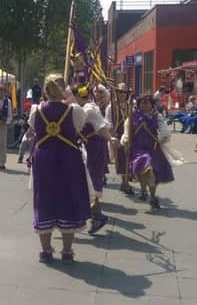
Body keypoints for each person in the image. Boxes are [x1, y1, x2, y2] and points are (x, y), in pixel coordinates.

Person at [29, 74, 91, 264]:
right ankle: (66, 251)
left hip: (44, 159)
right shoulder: (74, 111)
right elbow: (79, 127)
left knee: (44, 199)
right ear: (65, 90)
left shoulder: (36, 110)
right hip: (68, 159)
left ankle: (46, 250)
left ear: (45, 91)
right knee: (68, 198)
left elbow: (33, 128)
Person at [121, 95, 175, 210]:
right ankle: (144, 190)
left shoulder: (157, 116)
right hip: (137, 148)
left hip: (154, 148)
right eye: (142, 103)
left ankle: (152, 195)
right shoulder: (132, 116)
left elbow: (164, 130)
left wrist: (164, 136)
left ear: (151, 104)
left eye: (147, 103)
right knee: (145, 165)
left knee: (154, 174)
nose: (144, 105)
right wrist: (125, 140)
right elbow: (127, 130)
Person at [72, 85, 113, 234]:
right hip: (89, 147)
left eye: (72, 95)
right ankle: (94, 216)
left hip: (92, 148)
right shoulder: (84, 107)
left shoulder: (88, 109)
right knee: (84, 183)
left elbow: (101, 127)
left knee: (86, 182)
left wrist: (110, 139)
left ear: (79, 96)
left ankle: (94, 216)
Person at [105, 83, 134, 195]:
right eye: (120, 92)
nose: (122, 94)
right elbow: (108, 122)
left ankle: (127, 179)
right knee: (121, 159)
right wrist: (112, 134)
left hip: (128, 134)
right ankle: (124, 181)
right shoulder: (110, 107)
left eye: (125, 92)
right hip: (118, 134)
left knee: (129, 157)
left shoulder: (130, 105)